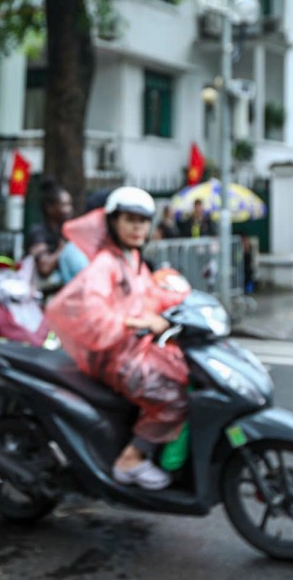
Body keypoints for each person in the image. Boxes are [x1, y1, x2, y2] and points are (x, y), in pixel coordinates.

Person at [45, 187, 192, 491]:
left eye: (144, 220)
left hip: (138, 348)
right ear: (113, 222)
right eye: (130, 219)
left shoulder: (133, 259)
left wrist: (183, 301)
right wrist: (135, 321)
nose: (138, 227)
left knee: (192, 372)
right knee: (174, 395)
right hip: (115, 357)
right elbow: (94, 316)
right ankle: (132, 458)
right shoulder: (104, 265)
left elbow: (150, 294)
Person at [26, 178, 77, 294]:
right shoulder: (38, 234)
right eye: (64, 205)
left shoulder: (64, 233)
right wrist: (62, 250)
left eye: (70, 204)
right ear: (50, 208)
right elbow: (44, 268)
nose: (69, 210)